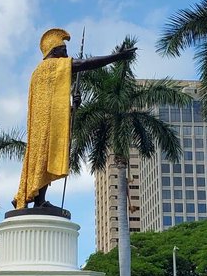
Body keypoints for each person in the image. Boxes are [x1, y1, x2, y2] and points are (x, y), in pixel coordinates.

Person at [13, 29, 135, 210]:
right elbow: (84, 64)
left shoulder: (38, 73)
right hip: (45, 126)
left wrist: (71, 107)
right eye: (64, 50)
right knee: (43, 160)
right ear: (54, 51)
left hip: (42, 125)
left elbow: (51, 103)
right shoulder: (50, 66)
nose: (67, 55)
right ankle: (37, 200)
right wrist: (116, 57)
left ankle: (39, 201)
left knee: (43, 161)